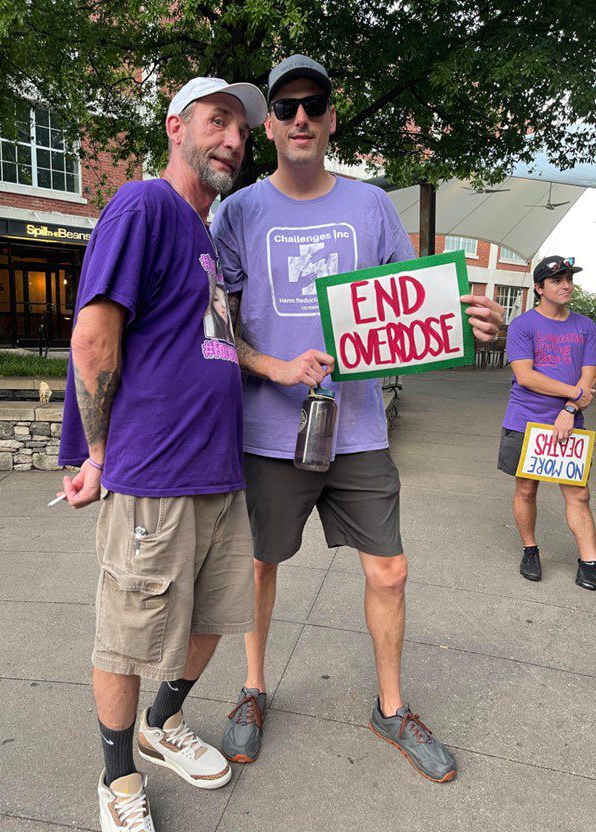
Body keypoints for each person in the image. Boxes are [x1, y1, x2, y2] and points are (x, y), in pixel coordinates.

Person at [211, 55, 503, 783]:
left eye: (314, 104)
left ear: (333, 117)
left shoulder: (371, 207)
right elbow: (215, 325)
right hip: (270, 429)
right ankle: (252, 689)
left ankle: (391, 705)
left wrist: (474, 327)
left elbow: (415, 306)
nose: (301, 117)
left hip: (359, 426)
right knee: (258, 566)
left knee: (391, 570)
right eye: (286, 108)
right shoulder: (238, 212)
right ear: (270, 126)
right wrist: (274, 367)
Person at [57, 76, 267, 831]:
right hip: (155, 475)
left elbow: (213, 341)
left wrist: (278, 367)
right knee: (127, 637)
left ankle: (161, 722)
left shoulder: (203, 237)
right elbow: (93, 336)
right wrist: (100, 453)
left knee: (214, 620)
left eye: (242, 130)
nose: (233, 140)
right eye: (218, 121)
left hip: (218, 473)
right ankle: (117, 781)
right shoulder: (144, 204)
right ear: (176, 126)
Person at [497, 255, 596, 590]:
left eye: (568, 279)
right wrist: (577, 393)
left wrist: (569, 409)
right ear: (539, 287)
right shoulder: (523, 326)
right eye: (557, 280)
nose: (566, 285)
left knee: (578, 494)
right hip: (526, 420)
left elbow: (589, 374)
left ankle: (589, 561)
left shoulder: (585, 326)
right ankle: (530, 549)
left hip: (569, 421)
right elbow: (525, 376)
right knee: (526, 488)